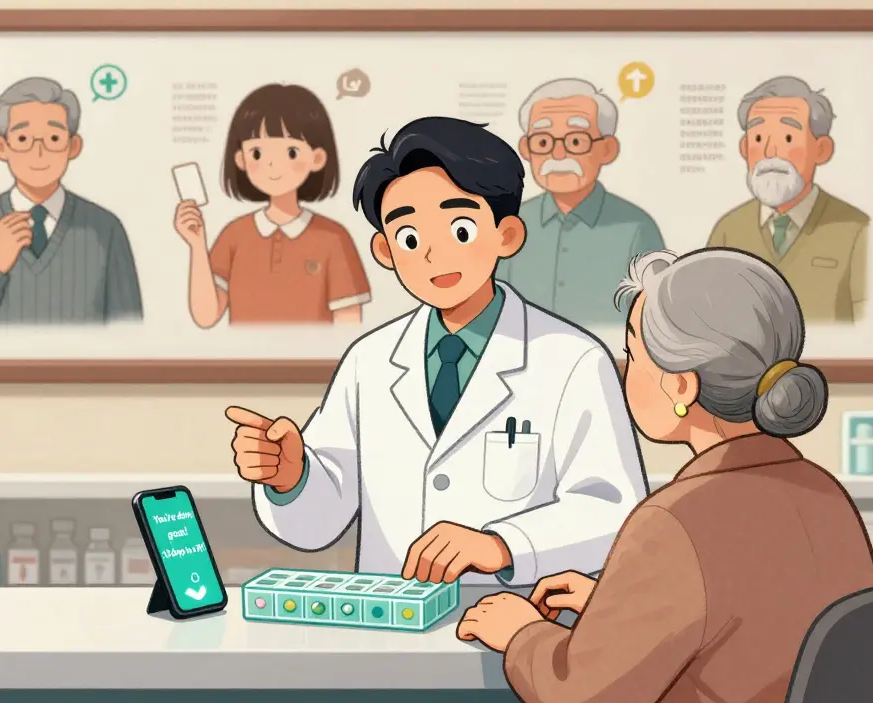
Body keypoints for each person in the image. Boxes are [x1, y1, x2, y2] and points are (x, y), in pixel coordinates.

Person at [457, 248, 873, 703]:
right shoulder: (824, 493)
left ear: (681, 386)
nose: (625, 371)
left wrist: (521, 632)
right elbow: (750, 620)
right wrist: (617, 610)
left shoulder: (676, 520)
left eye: (632, 354)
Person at [224, 116, 646, 588]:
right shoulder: (369, 361)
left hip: (517, 621)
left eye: (460, 229)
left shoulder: (571, 360)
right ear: (385, 251)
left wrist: (500, 545)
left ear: (507, 235)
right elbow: (319, 522)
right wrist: (291, 477)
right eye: (410, 238)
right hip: (391, 616)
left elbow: (612, 511)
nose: (433, 255)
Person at [0, 77, 143, 325]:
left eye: (53, 139)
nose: (38, 153)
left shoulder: (105, 229)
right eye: (23, 140)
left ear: (73, 146)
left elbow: (129, 328)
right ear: (1, 147)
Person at [174, 84, 371, 326]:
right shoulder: (234, 235)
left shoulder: (334, 238)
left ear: (317, 158)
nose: (272, 164)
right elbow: (206, 316)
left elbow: (348, 325)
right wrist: (197, 245)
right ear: (241, 159)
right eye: (257, 153)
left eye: (291, 152)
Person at [495, 78, 664, 328]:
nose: (558, 154)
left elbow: (657, 323)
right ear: (526, 149)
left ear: (607, 149)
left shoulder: (637, 227)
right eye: (543, 142)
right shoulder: (511, 222)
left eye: (576, 141)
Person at [707, 76, 868, 323]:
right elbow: (707, 321)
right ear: (745, 148)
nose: (770, 151)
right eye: (758, 139)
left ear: (822, 150)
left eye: (788, 139)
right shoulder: (728, 230)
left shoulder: (857, 231)